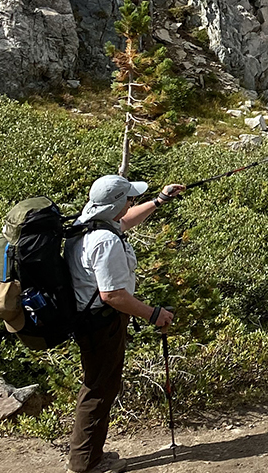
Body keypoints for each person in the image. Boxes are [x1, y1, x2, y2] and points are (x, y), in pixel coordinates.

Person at [64, 174, 184, 473]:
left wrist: (159, 200)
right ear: (116, 202)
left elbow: (126, 220)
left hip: (90, 320)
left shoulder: (87, 223)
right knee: (100, 388)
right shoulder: (105, 242)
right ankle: (86, 463)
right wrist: (155, 314)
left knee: (100, 384)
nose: (132, 202)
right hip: (101, 323)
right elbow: (113, 296)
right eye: (129, 198)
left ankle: (89, 454)